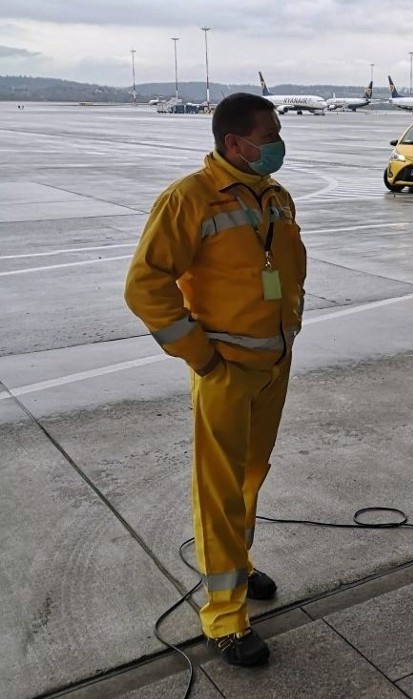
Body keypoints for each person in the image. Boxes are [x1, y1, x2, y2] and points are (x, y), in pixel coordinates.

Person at [124, 93, 306, 667]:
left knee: (253, 474)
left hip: (273, 367)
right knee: (219, 488)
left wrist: (288, 333)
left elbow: (284, 276)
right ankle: (225, 617)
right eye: (270, 133)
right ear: (235, 143)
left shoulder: (275, 197)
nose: (278, 142)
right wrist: (200, 357)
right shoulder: (189, 199)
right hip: (224, 371)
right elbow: (145, 285)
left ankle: (240, 567)